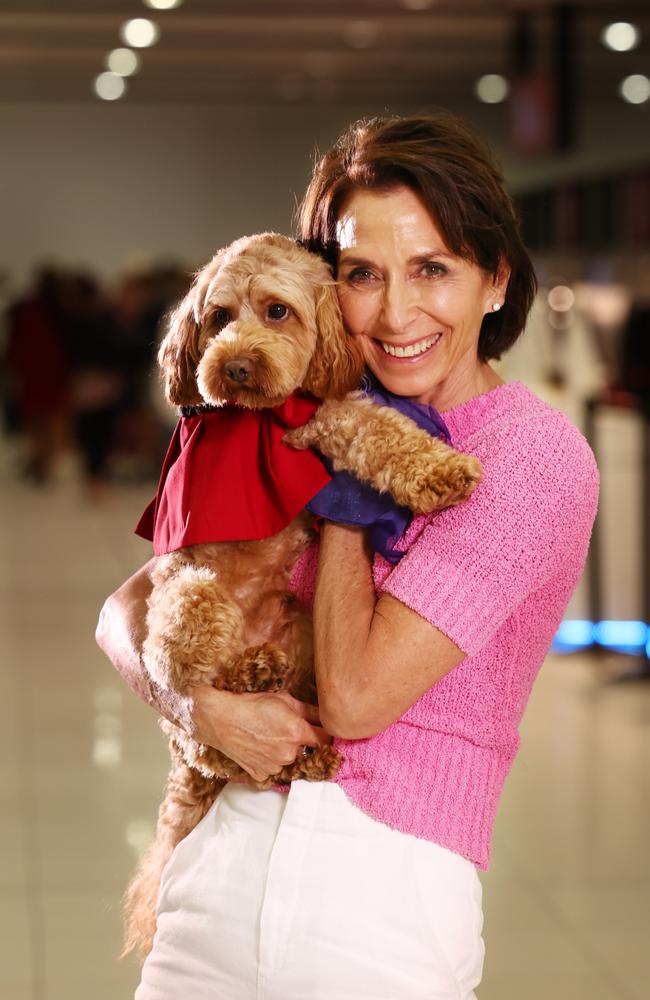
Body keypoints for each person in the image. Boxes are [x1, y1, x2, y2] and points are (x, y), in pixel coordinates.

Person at [96, 113, 599, 1000]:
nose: (397, 312)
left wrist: (343, 511)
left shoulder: (534, 460)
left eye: (433, 269)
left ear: (496, 281)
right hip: (216, 871)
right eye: (364, 274)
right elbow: (123, 609)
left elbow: (359, 698)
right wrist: (196, 703)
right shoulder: (297, 405)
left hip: (381, 903)